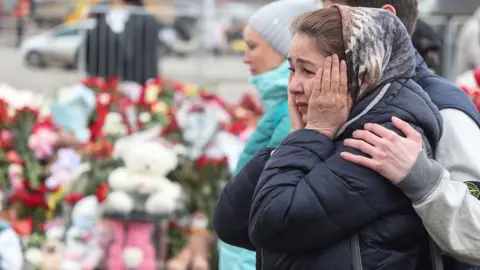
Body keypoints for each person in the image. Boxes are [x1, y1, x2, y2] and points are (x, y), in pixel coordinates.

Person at [215, 5, 442, 269]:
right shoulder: (333, 127)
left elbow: (273, 222)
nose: (294, 86)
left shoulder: (382, 137)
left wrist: (313, 134)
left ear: (358, 73)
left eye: (308, 72)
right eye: (292, 70)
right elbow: (230, 222)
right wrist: (299, 137)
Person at [322, 0, 480, 265]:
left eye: (332, 17)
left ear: (385, 20)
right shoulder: (346, 98)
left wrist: (423, 181)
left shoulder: (443, 108)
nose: (321, 28)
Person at [215, 1, 316, 270]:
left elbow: (272, 198)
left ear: (284, 49)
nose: (246, 57)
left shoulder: (292, 110)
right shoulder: (281, 105)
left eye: (253, 46)